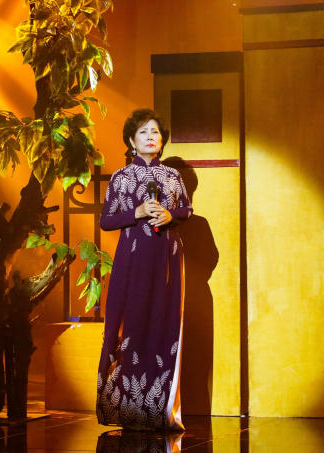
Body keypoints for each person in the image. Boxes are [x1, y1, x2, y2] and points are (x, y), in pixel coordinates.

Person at [96, 108, 193, 431]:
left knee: (164, 326)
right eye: (143, 132)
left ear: (162, 140)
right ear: (130, 141)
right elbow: (106, 220)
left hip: (167, 260)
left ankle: (160, 410)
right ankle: (128, 409)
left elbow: (187, 208)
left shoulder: (172, 176)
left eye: (155, 132)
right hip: (133, 260)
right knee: (131, 325)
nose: (151, 137)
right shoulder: (120, 177)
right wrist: (136, 212)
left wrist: (171, 216)